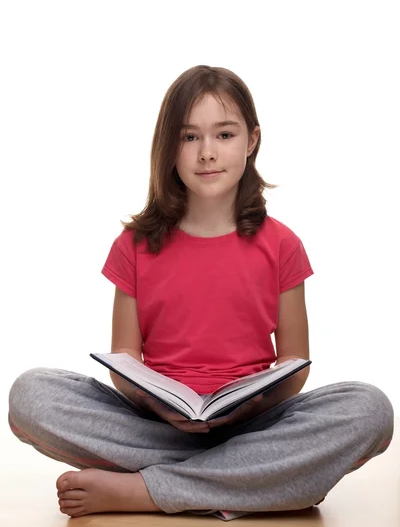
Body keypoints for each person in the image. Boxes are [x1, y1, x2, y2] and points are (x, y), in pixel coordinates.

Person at [8, 65, 394, 521]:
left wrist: (251, 405)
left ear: (251, 141)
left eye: (224, 135)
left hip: (252, 426)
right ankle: (256, 482)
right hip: (155, 426)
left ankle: (148, 491)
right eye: (189, 137)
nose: (207, 153)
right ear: (168, 146)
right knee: (30, 395)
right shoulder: (134, 245)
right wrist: (157, 404)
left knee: (370, 410)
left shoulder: (282, 244)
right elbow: (125, 359)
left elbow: (294, 366)